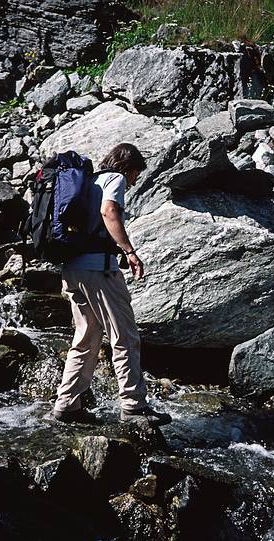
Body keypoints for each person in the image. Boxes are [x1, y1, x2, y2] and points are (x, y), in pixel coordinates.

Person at [52, 143, 172, 427]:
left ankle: (67, 404)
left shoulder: (88, 181)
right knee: (125, 336)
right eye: (135, 176)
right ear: (127, 167)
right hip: (100, 270)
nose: (132, 182)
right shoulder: (114, 179)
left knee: (86, 337)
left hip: (73, 269)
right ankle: (133, 405)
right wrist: (129, 251)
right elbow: (108, 212)